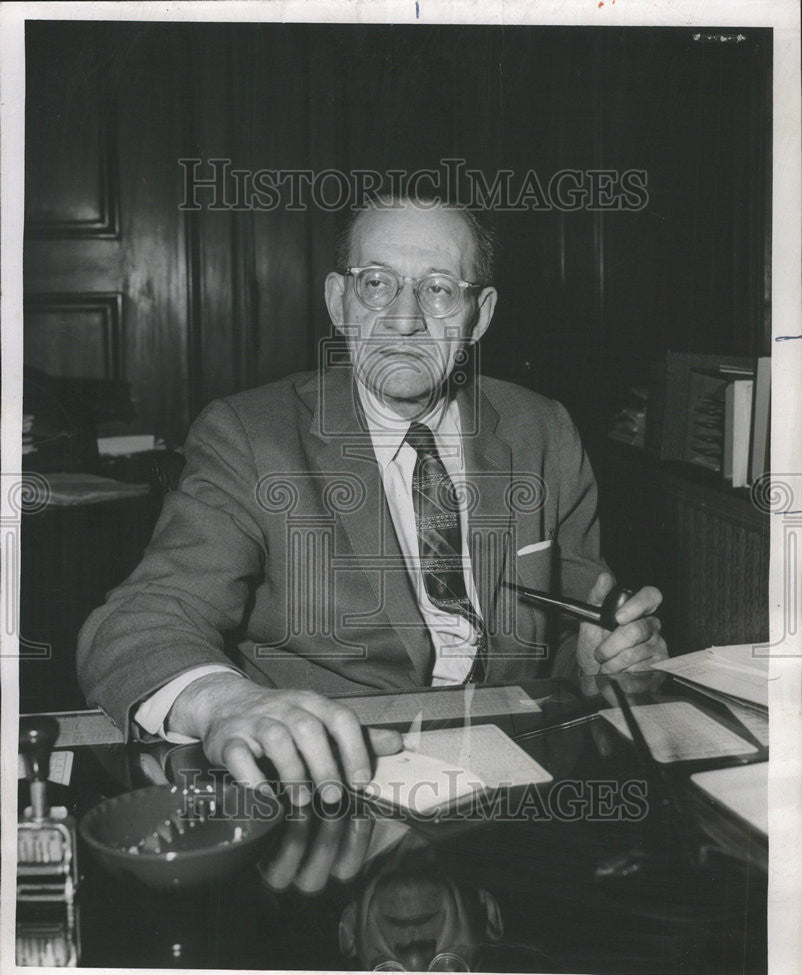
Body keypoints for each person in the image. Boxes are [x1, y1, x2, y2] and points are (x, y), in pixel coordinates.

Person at [77, 193, 668, 801]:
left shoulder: (541, 429)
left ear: (479, 314)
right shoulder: (251, 435)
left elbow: (576, 632)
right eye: (378, 284)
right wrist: (228, 703)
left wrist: (605, 660)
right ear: (339, 302)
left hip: (512, 783)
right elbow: (138, 623)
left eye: (439, 288)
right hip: (327, 784)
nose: (405, 319)